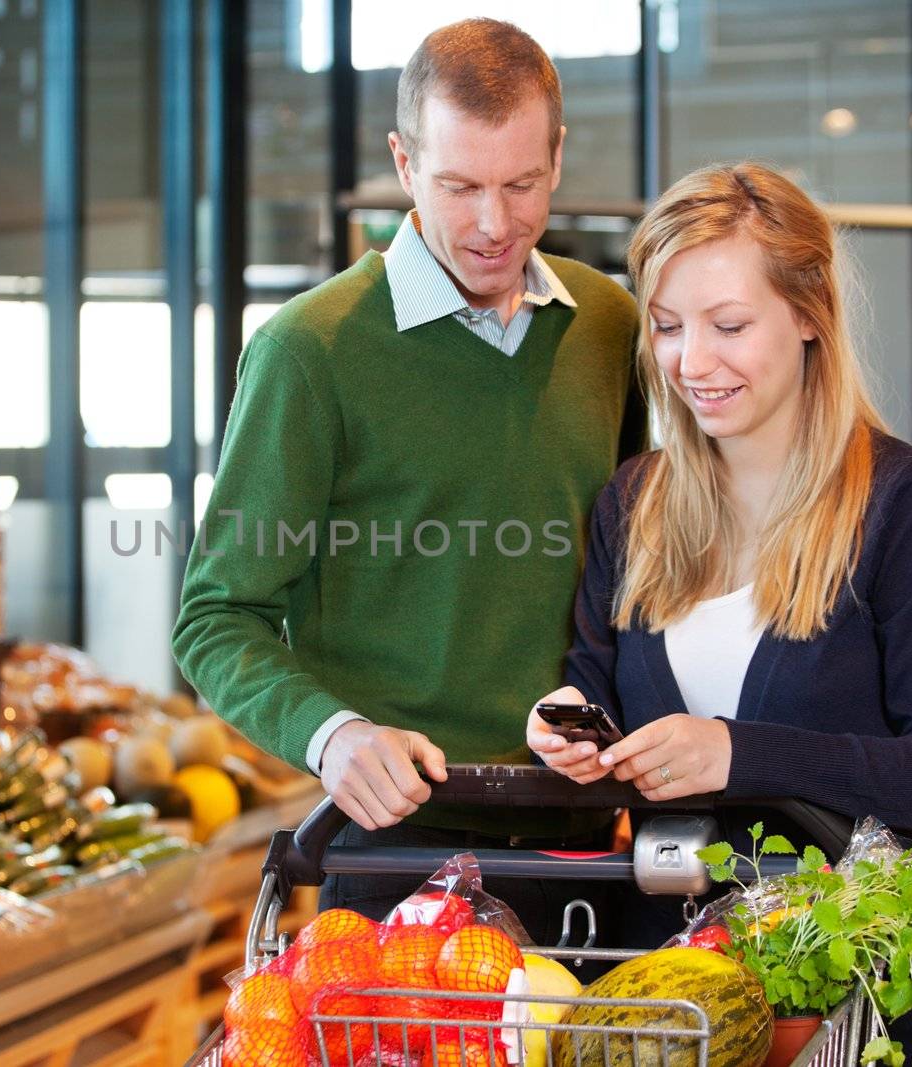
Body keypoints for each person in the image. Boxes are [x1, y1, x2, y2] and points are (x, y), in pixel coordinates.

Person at [173, 18, 644, 941]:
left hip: (587, 837)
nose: (494, 224)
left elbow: (636, 573)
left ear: (558, 155)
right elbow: (214, 615)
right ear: (402, 163)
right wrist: (333, 734)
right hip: (394, 851)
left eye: (523, 184)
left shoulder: (609, 326)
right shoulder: (307, 352)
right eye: (460, 186)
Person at [527, 162, 912, 1064]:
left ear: (811, 313)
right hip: (674, 1002)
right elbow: (594, 678)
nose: (692, 362)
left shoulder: (900, 502)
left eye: (729, 325)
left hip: (862, 1005)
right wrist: (567, 724)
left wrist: (736, 751)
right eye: (666, 327)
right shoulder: (636, 501)